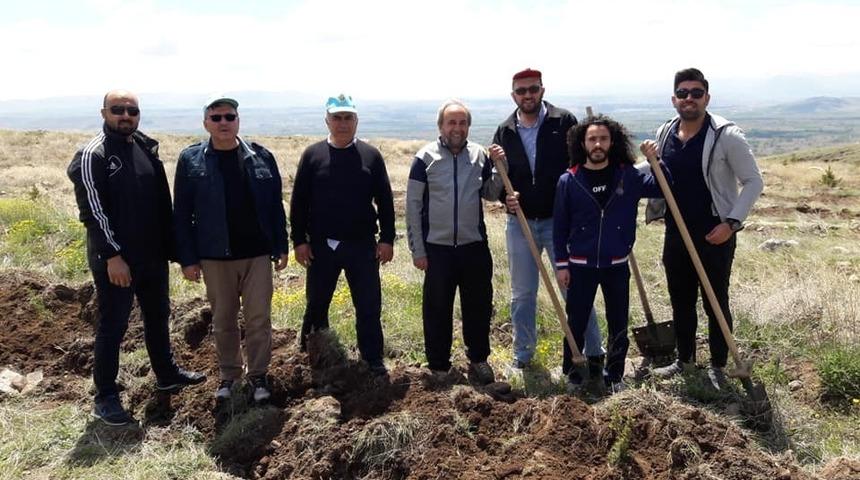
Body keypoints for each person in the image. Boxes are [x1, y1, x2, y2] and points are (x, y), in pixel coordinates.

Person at [68, 90, 205, 426]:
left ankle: (166, 373)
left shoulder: (144, 147)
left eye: (132, 110)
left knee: (158, 315)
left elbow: (161, 203)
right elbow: (93, 213)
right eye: (118, 110)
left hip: (152, 257)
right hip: (117, 262)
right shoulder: (92, 155)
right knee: (112, 326)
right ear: (104, 112)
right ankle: (105, 396)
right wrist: (112, 256)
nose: (125, 115)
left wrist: (174, 250)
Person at [646, 68, 763, 389]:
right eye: (682, 93)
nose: (689, 99)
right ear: (674, 99)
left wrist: (731, 224)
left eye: (696, 93)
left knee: (715, 300)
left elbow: (753, 181)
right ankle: (685, 361)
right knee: (680, 299)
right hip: (676, 233)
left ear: (706, 98)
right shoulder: (666, 132)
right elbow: (654, 171)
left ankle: (718, 365)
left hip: (715, 234)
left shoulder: (726, 135)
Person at [488, 68, 605, 378]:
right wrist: (504, 195)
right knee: (522, 294)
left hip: (560, 222)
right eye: (521, 91)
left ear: (541, 90)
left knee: (574, 291)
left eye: (532, 89)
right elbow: (496, 178)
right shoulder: (504, 131)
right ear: (513, 95)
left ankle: (594, 353)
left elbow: (582, 166)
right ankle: (523, 356)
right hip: (520, 223)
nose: (527, 95)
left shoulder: (563, 122)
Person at [173, 94, 289, 402]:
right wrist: (187, 258)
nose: (223, 123)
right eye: (216, 117)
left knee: (258, 318)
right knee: (223, 318)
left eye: (229, 117)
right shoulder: (190, 160)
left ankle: (259, 376)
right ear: (206, 123)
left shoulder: (261, 156)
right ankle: (229, 376)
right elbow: (181, 213)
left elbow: (275, 207)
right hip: (214, 255)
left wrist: (281, 245)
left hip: (257, 254)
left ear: (238, 121)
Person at [553, 114, 664, 394]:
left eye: (603, 138)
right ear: (583, 143)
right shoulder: (569, 180)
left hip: (616, 265)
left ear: (612, 142)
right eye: (592, 139)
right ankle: (574, 373)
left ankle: (614, 376)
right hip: (580, 265)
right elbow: (560, 226)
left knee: (618, 323)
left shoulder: (628, 175)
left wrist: (655, 161)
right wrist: (561, 264)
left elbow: (663, 186)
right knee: (575, 321)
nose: (598, 144)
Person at [289, 94, 395, 377]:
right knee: (316, 304)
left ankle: (372, 360)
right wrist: (299, 241)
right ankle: (313, 356)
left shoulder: (371, 156)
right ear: (327, 120)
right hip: (322, 246)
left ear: (356, 121)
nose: (343, 123)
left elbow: (385, 200)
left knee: (369, 306)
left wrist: (387, 239)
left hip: (362, 245)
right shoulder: (312, 155)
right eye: (337, 117)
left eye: (348, 117)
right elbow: (298, 201)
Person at [406, 99, 504, 385]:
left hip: (474, 246)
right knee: (437, 309)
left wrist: (500, 167)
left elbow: (490, 193)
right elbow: (413, 207)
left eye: (462, 123)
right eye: (452, 122)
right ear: (441, 126)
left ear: (468, 126)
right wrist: (417, 250)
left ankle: (479, 360)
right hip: (438, 249)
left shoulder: (479, 156)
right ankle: (438, 366)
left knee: (479, 306)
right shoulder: (424, 158)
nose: (457, 128)